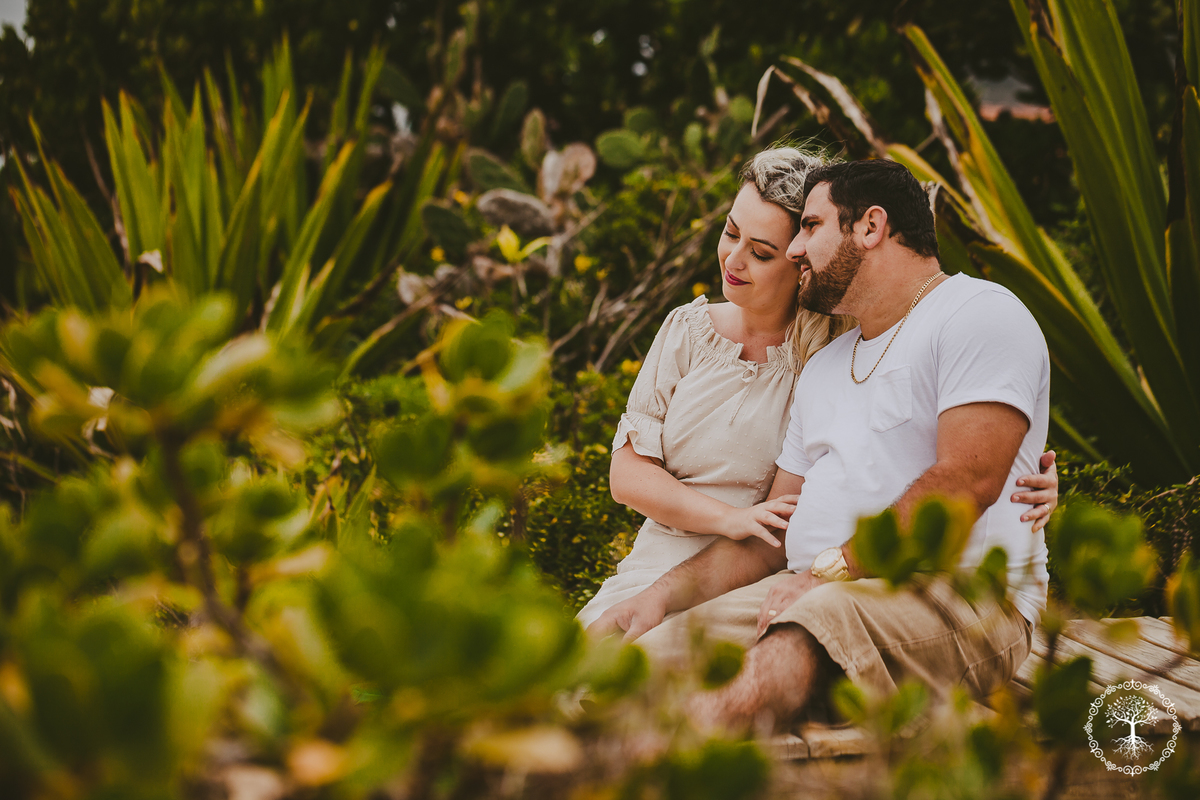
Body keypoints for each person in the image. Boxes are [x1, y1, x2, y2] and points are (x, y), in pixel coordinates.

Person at [577, 150, 1058, 650]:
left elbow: (942, 431)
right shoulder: (694, 330)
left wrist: (1020, 473)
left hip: (782, 576)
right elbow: (628, 473)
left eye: (765, 251)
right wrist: (730, 526)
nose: (734, 260)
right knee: (584, 670)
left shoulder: (841, 348)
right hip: (693, 561)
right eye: (730, 232)